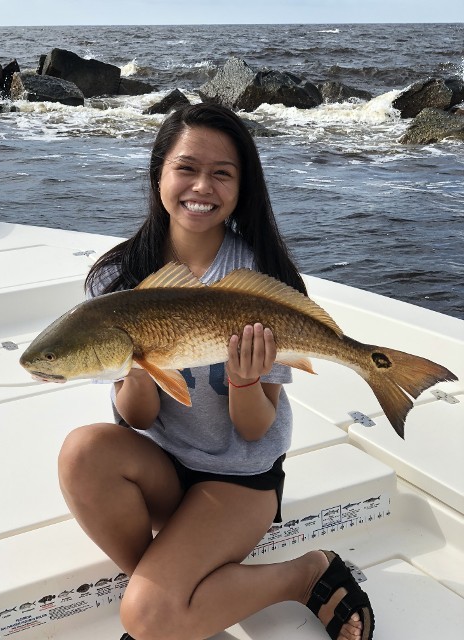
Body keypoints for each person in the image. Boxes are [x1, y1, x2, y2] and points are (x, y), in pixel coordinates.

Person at [58, 103, 374, 640]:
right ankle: (167, 593)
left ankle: (304, 574)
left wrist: (246, 381)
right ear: (159, 171)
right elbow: (134, 420)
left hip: (240, 477)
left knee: (146, 617)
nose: (201, 186)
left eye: (221, 173)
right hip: (162, 465)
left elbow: (254, 429)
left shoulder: (265, 276)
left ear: (241, 186)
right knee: (82, 451)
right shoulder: (116, 278)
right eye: (186, 167)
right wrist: (138, 365)